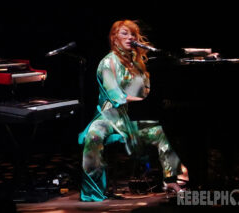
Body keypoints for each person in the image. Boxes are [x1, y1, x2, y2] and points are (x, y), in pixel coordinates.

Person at [78, 19, 188, 202]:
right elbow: (116, 95)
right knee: (94, 136)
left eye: (133, 34)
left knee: (158, 132)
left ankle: (172, 182)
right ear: (114, 38)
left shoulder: (135, 63)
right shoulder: (108, 63)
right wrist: (143, 97)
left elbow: (143, 93)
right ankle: (93, 192)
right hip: (106, 116)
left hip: (125, 118)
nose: (130, 37)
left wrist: (141, 70)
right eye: (124, 33)